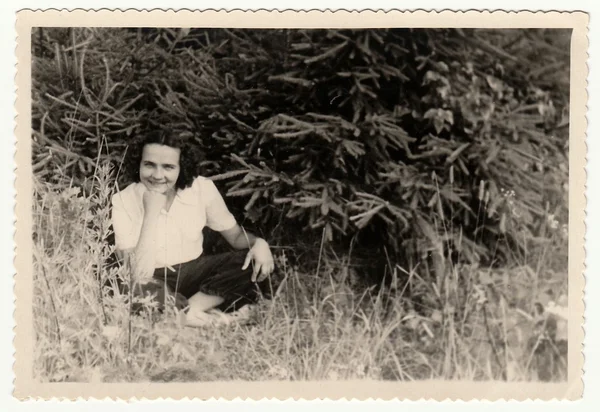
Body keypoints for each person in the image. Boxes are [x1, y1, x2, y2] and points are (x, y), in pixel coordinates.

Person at [111, 129, 274, 324]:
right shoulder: (122, 200)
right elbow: (137, 274)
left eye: (168, 167)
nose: (157, 175)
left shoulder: (201, 188)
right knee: (130, 289)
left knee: (251, 262)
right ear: (138, 164)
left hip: (195, 273)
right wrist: (151, 214)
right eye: (149, 165)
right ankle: (217, 320)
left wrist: (260, 243)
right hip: (153, 278)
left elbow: (236, 237)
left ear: (182, 168)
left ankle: (187, 313)